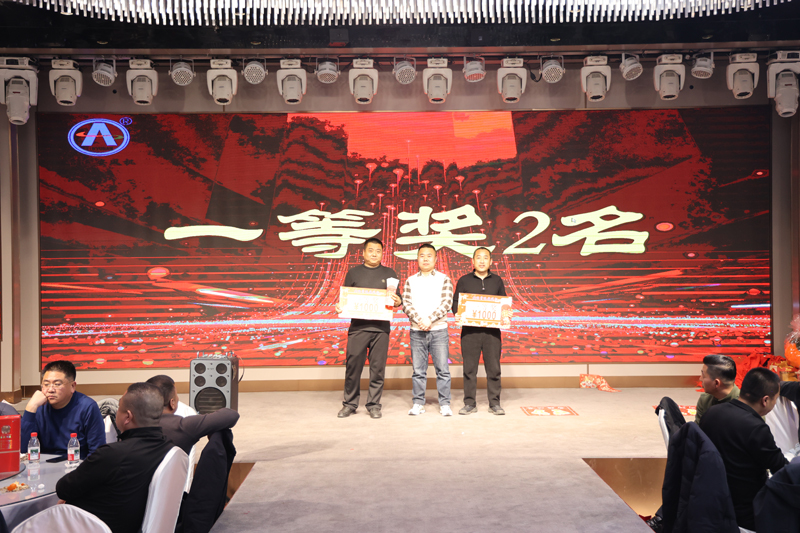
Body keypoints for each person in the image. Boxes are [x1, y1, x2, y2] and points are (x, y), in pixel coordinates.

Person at [56, 382, 175, 533]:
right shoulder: (168, 447)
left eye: (119, 408)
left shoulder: (112, 455)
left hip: (94, 527)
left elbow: (63, 489)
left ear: (127, 417)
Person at [699, 367, 788, 531]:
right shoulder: (756, 428)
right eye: (775, 400)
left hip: (711, 501)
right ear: (765, 400)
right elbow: (782, 470)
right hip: (747, 511)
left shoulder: (711, 413)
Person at [335, 238, 402, 419]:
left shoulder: (390, 273)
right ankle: (349, 404)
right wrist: (340, 306)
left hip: (381, 330)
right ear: (363, 253)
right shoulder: (353, 273)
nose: (374, 254)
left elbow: (397, 298)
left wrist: (398, 301)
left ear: (382, 254)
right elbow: (345, 299)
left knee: (377, 369)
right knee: (353, 368)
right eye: (371, 250)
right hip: (358, 328)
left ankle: (374, 405)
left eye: (378, 251)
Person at [452, 247, 508, 415]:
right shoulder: (464, 280)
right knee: (469, 369)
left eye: (485, 258)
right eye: (478, 257)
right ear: (473, 261)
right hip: (470, 333)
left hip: (492, 333)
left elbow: (504, 303)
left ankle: (494, 403)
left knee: (494, 369)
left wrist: (506, 312)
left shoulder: (497, 280)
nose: (482, 261)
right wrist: (458, 313)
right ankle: (469, 403)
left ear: (491, 261)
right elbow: (455, 303)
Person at [402, 244, 454, 416]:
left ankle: (445, 403)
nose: (425, 259)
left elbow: (446, 303)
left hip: (439, 331)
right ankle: (418, 403)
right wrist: (420, 320)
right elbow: (406, 304)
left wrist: (429, 319)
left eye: (429, 255)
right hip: (417, 331)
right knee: (418, 371)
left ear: (435, 259)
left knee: (443, 370)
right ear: (417, 258)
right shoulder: (410, 280)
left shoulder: (444, 279)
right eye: (422, 255)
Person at [21, 360, 105, 458]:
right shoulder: (38, 406)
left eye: (57, 384)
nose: (50, 390)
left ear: (72, 386)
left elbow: (97, 453)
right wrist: (31, 408)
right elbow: (23, 449)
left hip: (77, 464)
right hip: (43, 464)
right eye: (46, 384)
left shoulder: (87, 407)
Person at [146, 374, 239, 454]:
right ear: (172, 403)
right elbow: (231, 415)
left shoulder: (137, 423)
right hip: (175, 470)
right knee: (221, 432)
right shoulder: (183, 426)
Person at [694, 354, 739, 424]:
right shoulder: (705, 400)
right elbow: (698, 428)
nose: (700, 379)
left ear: (716, 383)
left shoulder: (744, 405)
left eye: (703, 376)